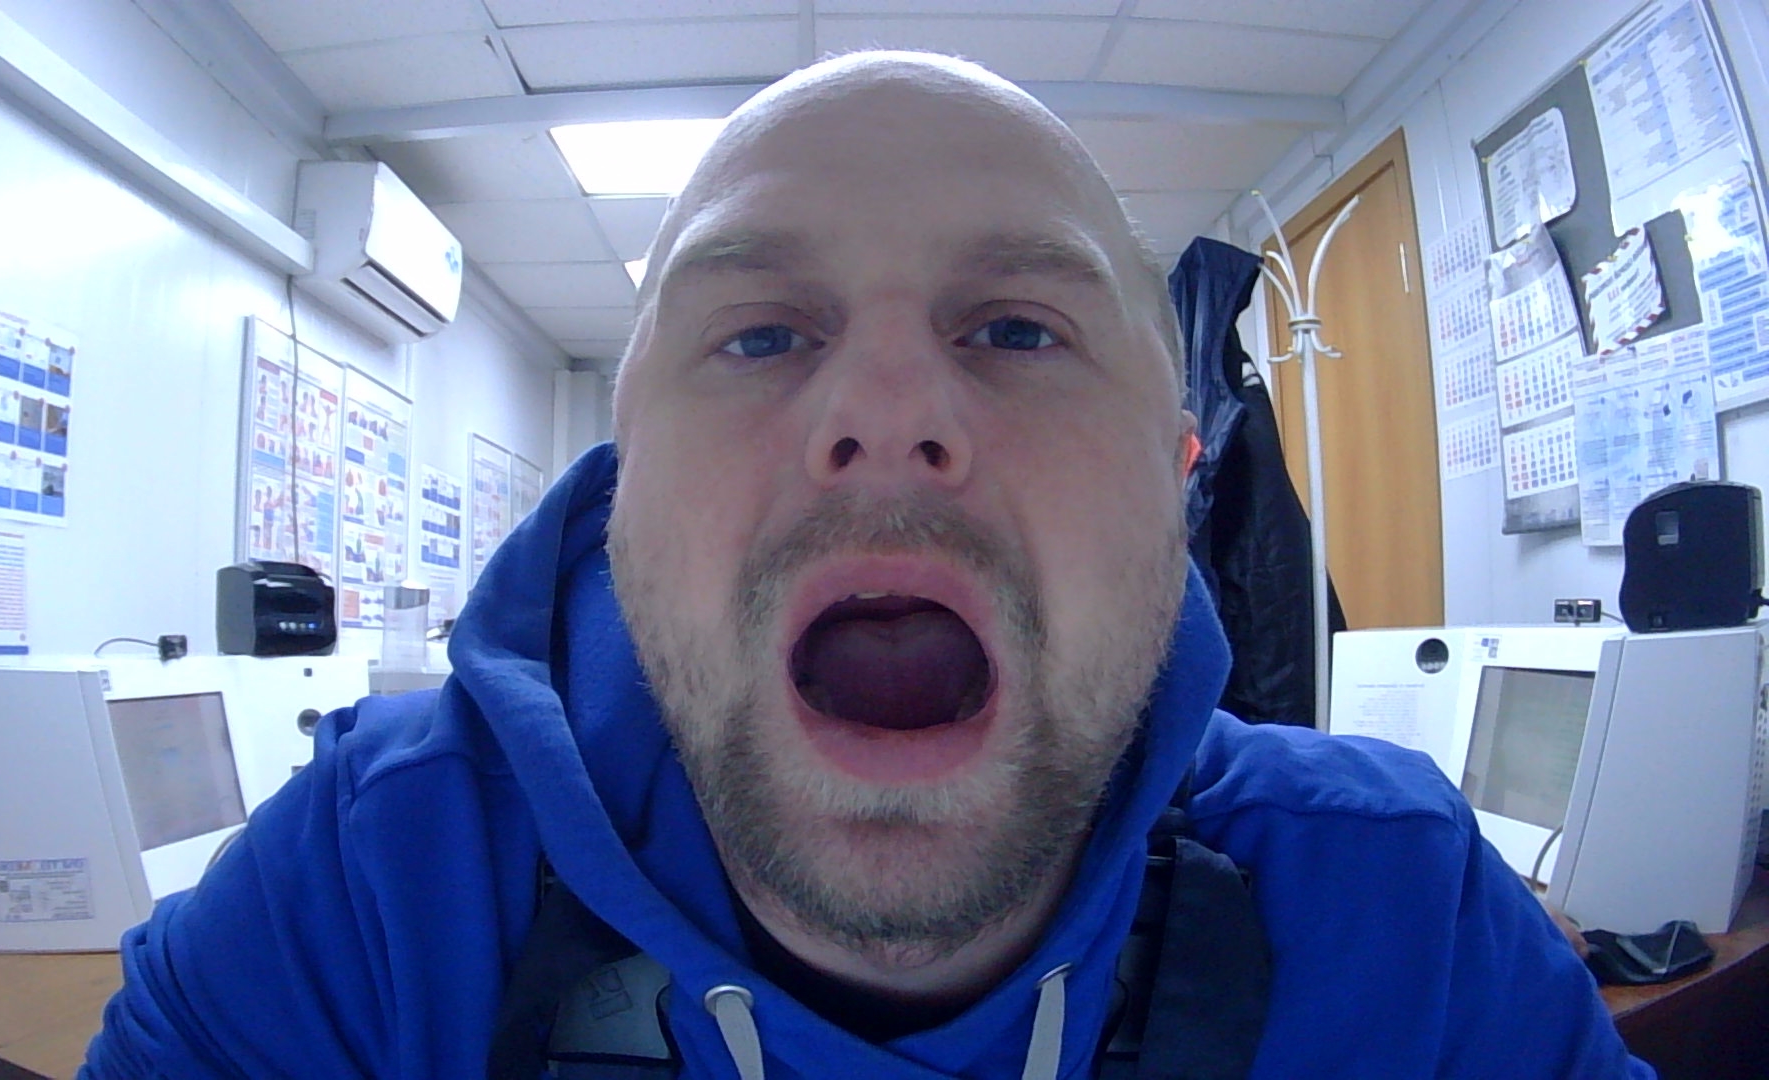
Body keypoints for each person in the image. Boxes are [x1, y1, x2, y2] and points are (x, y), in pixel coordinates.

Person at [83, 52, 1651, 1078]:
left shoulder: (1404, 914)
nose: (891, 415)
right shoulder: (366, 892)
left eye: (1018, 329)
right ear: (624, 496)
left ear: (1181, 485)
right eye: (761, 334)